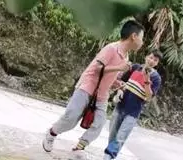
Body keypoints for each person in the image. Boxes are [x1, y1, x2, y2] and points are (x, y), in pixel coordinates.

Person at [42, 19, 145, 160]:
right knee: (71, 117)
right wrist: (119, 68)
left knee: (99, 123)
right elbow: (97, 68)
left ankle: (79, 147)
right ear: (133, 36)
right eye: (141, 38)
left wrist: (117, 83)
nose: (142, 42)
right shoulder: (111, 49)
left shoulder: (126, 56)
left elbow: (109, 75)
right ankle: (51, 133)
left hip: (102, 94)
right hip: (87, 86)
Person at [103, 50, 163, 160]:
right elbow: (121, 81)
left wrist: (146, 80)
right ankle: (108, 157)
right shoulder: (135, 67)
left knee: (120, 139)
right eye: (150, 58)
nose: (151, 61)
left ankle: (107, 158)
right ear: (146, 57)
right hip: (120, 107)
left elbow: (149, 97)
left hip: (133, 113)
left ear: (157, 63)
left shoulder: (156, 78)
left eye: (155, 60)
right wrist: (120, 90)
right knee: (112, 136)